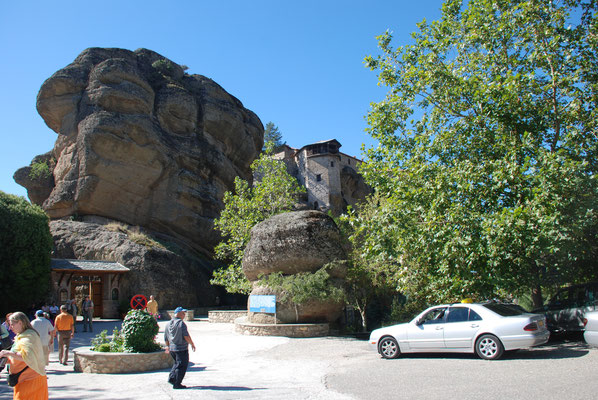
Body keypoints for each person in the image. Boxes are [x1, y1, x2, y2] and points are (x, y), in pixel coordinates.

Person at [0, 311, 49, 399]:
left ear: (20, 323)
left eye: (12, 325)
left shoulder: (28, 337)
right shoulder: (23, 335)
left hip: (31, 380)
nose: (10, 328)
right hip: (23, 380)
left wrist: (7, 353)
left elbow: (27, 356)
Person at [164, 306, 196, 389]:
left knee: (176, 364)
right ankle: (177, 383)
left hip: (172, 349)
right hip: (181, 349)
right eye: (182, 313)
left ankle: (172, 378)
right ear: (177, 314)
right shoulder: (181, 323)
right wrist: (192, 344)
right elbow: (186, 336)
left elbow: (166, 338)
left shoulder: (168, 324)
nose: (184, 315)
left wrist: (168, 347)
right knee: (181, 366)